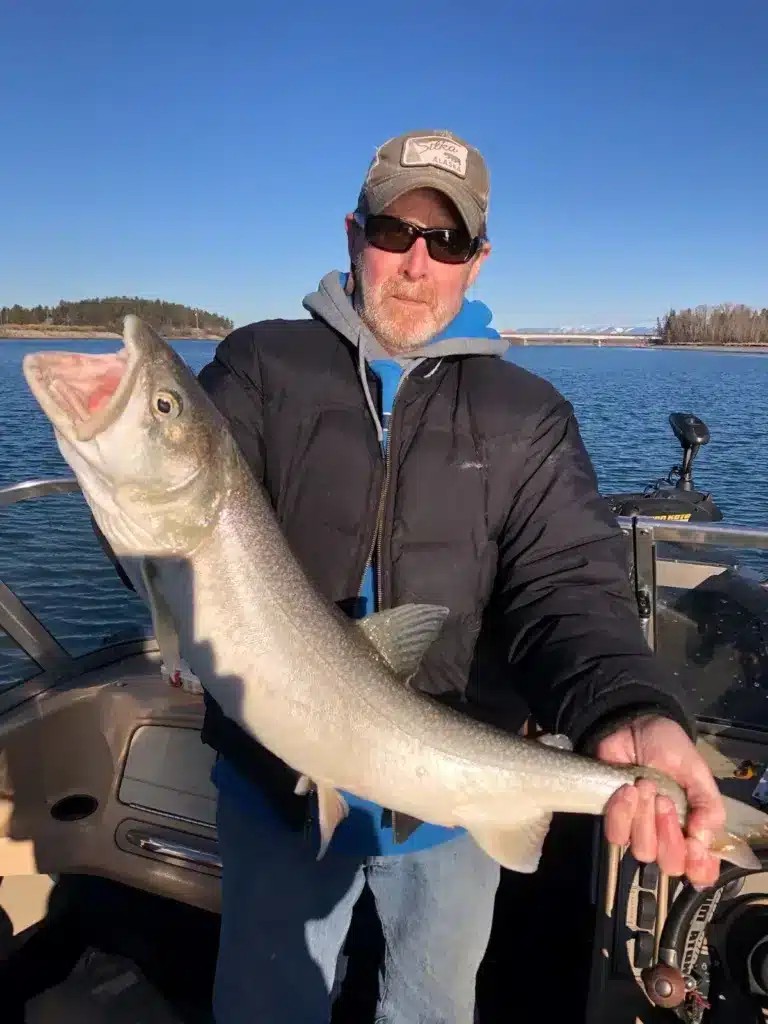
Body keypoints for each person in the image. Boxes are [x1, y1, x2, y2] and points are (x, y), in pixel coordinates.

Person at [118, 130, 728, 1023]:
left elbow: (569, 585)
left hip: (453, 797)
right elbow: (178, 522)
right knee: (266, 1003)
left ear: (477, 261)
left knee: (431, 1008)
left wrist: (629, 708)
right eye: (392, 231)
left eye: (444, 242)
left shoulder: (528, 414)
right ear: (352, 234)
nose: (415, 262)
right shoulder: (260, 365)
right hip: (278, 786)